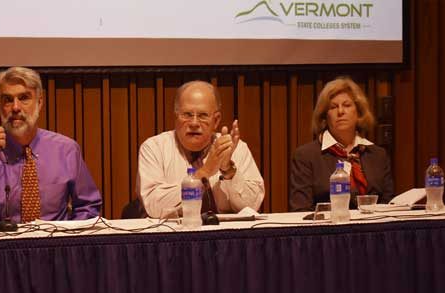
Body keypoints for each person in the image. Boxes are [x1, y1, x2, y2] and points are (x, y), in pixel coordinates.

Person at [0, 66, 102, 223]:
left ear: (39, 102)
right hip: (4, 245)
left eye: (24, 98)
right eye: (7, 100)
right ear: (0, 106)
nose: (15, 107)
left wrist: (68, 237)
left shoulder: (66, 150)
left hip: (55, 243)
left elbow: (88, 206)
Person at [138, 80, 265, 218]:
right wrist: (204, 173)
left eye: (203, 116)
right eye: (187, 115)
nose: (194, 123)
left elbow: (252, 206)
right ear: (176, 117)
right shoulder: (154, 148)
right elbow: (154, 206)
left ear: (216, 120)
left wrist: (228, 170)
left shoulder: (235, 148)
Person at [289, 77, 394, 211]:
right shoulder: (306, 156)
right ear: (325, 116)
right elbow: (300, 210)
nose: (340, 112)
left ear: (359, 112)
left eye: (347, 105)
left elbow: (389, 205)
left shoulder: (378, 155)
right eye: (333, 107)